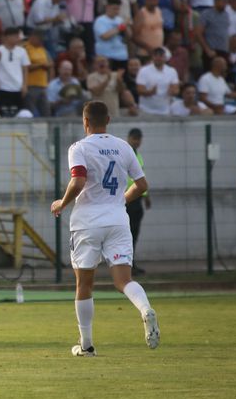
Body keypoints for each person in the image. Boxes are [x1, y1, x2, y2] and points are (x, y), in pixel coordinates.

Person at [50, 101, 160, 357]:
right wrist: (121, 200)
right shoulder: (124, 147)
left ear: (85, 122)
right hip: (118, 220)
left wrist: (62, 203)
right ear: (108, 120)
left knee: (84, 284)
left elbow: (78, 181)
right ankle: (145, 309)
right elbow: (142, 185)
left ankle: (86, 345)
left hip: (87, 222)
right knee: (124, 280)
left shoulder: (79, 148)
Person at [123, 127, 151, 276]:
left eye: (138, 139)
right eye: (134, 139)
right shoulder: (125, 153)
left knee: (133, 234)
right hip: (127, 199)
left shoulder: (137, 155)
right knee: (127, 234)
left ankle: (130, 264)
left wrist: (146, 196)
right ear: (129, 138)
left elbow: (141, 179)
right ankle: (127, 265)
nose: (137, 142)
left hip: (136, 198)